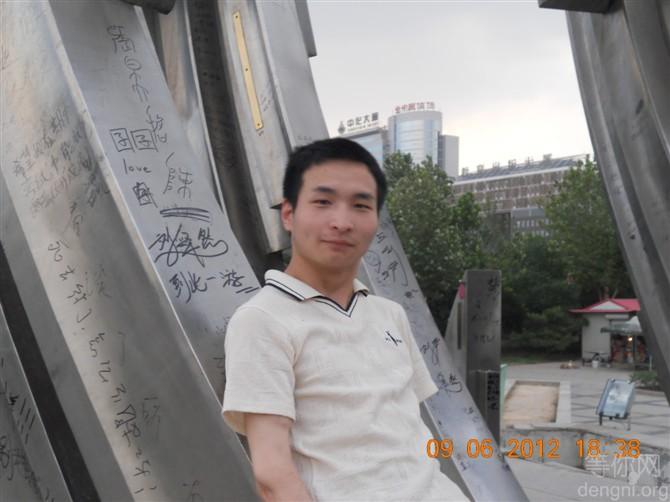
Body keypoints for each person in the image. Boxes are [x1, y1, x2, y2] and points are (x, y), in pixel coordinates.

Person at [222, 138, 467, 501]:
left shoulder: (389, 314)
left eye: (361, 205)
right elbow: (272, 475)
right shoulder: (262, 320)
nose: (341, 222)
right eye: (323, 202)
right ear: (288, 214)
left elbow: (405, 431)